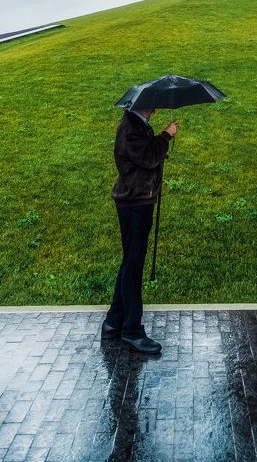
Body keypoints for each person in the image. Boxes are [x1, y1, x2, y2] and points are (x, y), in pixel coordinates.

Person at [101, 106, 179, 353]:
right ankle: (132, 330)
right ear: (140, 106)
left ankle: (113, 322)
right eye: (151, 106)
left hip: (137, 200)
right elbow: (148, 158)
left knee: (130, 263)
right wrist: (166, 136)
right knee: (133, 266)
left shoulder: (136, 126)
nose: (154, 110)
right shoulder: (131, 129)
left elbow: (147, 155)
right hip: (135, 203)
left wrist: (160, 138)